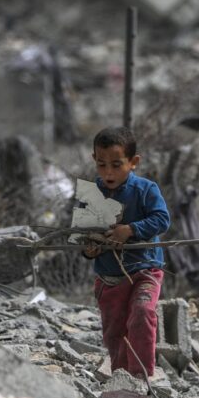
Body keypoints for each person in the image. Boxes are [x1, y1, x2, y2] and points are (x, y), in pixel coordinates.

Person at [82, 126, 170, 377]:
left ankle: (142, 376)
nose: (108, 172)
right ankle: (122, 379)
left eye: (116, 164)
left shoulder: (146, 190)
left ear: (133, 162)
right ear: (94, 161)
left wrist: (130, 230)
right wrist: (90, 250)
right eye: (101, 165)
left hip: (145, 269)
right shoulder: (91, 195)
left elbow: (162, 220)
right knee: (114, 330)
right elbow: (84, 240)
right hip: (109, 277)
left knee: (142, 312)